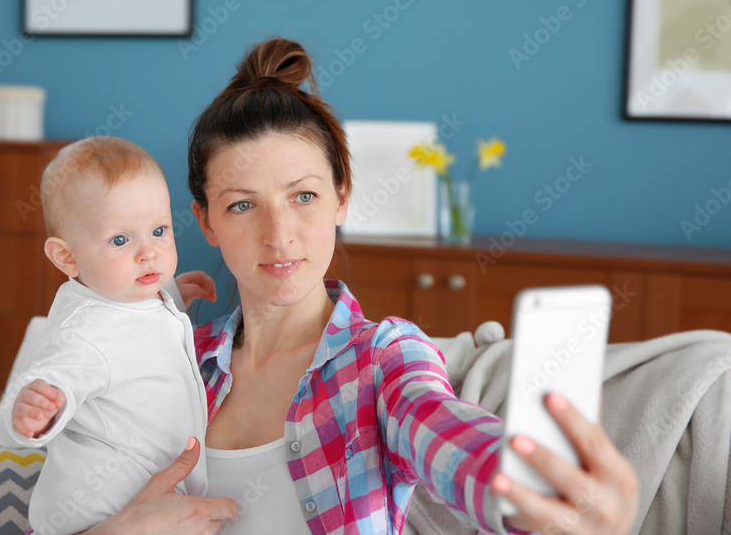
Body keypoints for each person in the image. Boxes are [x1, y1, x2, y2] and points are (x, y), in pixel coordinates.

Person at [83, 39, 638, 534]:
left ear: (341, 198)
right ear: (207, 221)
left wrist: (528, 489)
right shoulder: (170, 360)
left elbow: (444, 433)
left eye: (304, 197)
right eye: (243, 205)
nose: (280, 236)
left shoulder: (383, 359)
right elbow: (65, 502)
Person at [0, 136, 220, 535]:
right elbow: (60, 371)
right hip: (100, 504)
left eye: (159, 230)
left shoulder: (119, 294)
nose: (148, 253)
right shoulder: (85, 330)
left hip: (140, 491)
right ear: (67, 257)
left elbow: (135, 326)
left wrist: (173, 293)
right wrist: (39, 408)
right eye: (120, 240)